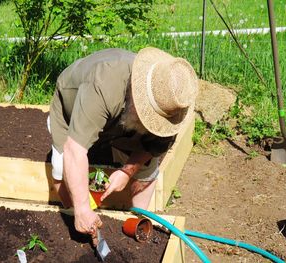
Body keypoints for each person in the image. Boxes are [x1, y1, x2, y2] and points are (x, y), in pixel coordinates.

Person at [47, 47, 198, 246]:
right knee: (61, 168)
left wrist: (127, 172)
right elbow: (74, 151)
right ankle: (76, 219)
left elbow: (153, 147)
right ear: (138, 100)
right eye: (150, 118)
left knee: (148, 167)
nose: (153, 123)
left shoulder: (171, 102)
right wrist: (83, 208)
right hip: (72, 105)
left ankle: (138, 224)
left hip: (119, 111)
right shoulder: (102, 85)